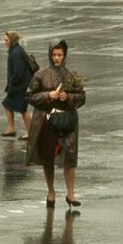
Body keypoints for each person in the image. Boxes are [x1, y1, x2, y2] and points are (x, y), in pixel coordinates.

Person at [26, 39, 86, 208]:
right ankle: (51, 192)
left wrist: (68, 97)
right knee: (48, 158)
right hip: (47, 122)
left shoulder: (71, 75)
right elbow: (30, 96)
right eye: (54, 54)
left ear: (65, 55)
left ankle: (71, 194)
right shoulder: (41, 74)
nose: (56, 58)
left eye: (60, 55)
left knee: (70, 157)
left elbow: (82, 97)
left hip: (68, 122)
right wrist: (48, 96)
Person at [1, 30, 32, 140]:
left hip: (20, 87)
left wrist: (12, 82)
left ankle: (30, 132)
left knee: (23, 109)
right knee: (7, 104)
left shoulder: (16, 53)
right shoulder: (15, 50)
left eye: (6, 40)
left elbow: (19, 72)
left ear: (12, 40)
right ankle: (11, 129)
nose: (4, 42)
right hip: (18, 86)